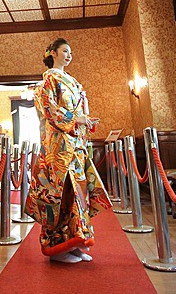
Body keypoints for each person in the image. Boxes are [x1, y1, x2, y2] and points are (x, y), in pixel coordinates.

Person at [24, 38, 112, 263]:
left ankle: (74, 242)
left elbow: (80, 111)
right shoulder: (48, 80)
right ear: (53, 53)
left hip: (75, 146)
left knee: (77, 194)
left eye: (70, 52)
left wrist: (86, 120)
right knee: (60, 195)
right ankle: (57, 249)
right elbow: (49, 110)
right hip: (58, 147)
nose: (69, 55)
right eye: (64, 51)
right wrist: (76, 118)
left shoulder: (72, 81)